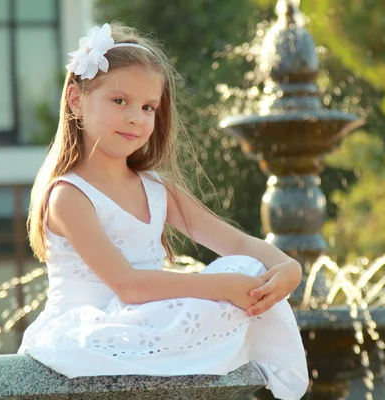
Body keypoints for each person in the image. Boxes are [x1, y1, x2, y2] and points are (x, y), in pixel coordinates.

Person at [18, 22, 309, 399]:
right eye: (119, 101)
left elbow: (235, 240)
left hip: (151, 321)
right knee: (229, 283)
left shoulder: (157, 189)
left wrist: (288, 268)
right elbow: (127, 284)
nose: (136, 118)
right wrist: (221, 288)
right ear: (75, 100)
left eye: (147, 107)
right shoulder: (69, 196)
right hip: (92, 332)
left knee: (247, 267)